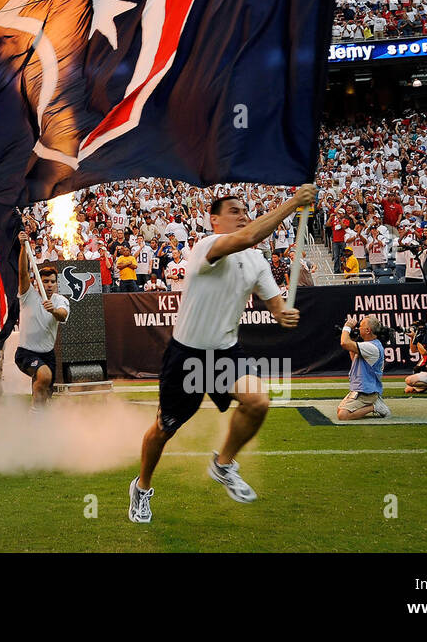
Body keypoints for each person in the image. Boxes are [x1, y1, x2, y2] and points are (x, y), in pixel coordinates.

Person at [129, 184, 316, 524]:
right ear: (214, 220)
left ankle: (223, 464)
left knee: (258, 401)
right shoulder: (207, 247)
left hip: (225, 353)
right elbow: (244, 239)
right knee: (163, 429)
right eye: (234, 211)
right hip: (185, 356)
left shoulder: (257, 260)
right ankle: (141, 488)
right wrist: (292, 204)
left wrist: (282, 313)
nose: (242, 216)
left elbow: (274, 304)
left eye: (245, 211)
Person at [14, 230, 70, 411]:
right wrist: (23, 247)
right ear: (39, 283)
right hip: (26, 352)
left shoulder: (60, 300)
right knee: (44, 376)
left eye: (53, 282)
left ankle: (39, 420)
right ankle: (34, 416)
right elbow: (22, 273)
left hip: (48, 354)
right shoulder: (28, 295)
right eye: (45, 281)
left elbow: (62, 315)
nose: (49, 285)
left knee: (44, 394)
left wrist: (53, 311)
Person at [337, 315, 392, 420]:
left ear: (368, 330)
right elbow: (354, 359)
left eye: (360, 326)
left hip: (367, 392)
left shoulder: (371, 347)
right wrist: (352, 338)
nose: (358, 328)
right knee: (340, 410)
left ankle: (375, 406)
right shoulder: (368, 345)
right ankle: (374, 403)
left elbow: (344, 343)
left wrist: (347, 327)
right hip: (361, 389)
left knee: (343, 416)